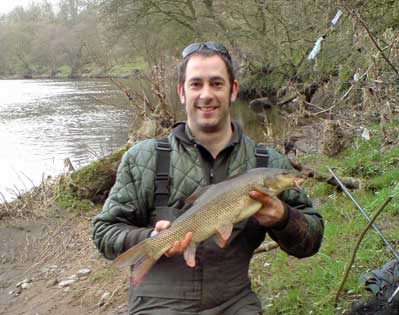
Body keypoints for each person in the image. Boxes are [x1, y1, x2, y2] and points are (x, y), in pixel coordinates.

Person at [92, 42, 324, 315]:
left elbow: (312, 240)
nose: (206, 94)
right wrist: (151, 238)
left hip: (234, 301)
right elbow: (103, 232)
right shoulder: (143, 158)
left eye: (216, 84)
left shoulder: (267, 163)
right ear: (181, 92)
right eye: (196, 84)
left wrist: (284, 218)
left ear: (233, 90)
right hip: (157, 304)